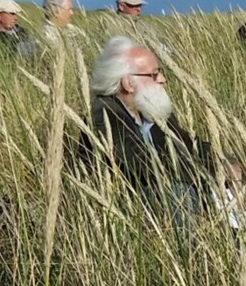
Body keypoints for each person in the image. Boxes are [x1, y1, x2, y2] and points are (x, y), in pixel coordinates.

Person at [75, 36, 221, 222]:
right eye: (154, 74)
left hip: (163, 198)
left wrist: (222, 163)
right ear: (128, 83)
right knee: (179, 193)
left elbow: (189, 143)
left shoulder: (150, 109)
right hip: (127, 207)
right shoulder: (103, 115)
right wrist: (200, 172)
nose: (162, 79)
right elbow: (142, 166)